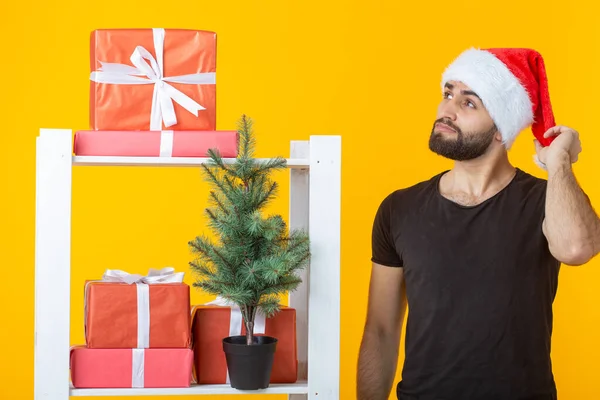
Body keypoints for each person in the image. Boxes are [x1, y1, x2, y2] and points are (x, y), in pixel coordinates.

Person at [356, 47, 600, 400]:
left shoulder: (545, 201)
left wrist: (559, 161)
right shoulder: (400, 208)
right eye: (448, 93)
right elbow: (379, 330)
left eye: (468, 103)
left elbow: (577, 248)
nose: (447, 110)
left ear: (502, 129)